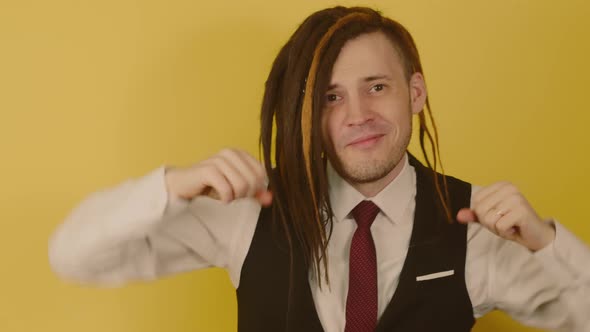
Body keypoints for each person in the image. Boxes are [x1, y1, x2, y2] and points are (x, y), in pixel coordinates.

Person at [48, 6, 590, 332]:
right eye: (331, 97)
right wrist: (172, 186)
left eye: (376, 87)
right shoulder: (249, 212)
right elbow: (75, 256)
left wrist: (546, 243)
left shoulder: (476, 225)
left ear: (415, 92)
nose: (358, 116)